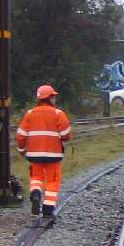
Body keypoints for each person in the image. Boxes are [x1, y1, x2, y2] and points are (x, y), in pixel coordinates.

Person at [16, 83, 72, 219]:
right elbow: (66, 135)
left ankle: (35, 193)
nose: (55, 99)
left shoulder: (30, 114)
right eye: (54, 97)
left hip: (34, 154)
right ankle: (48, 210)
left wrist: (22, 150)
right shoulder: (58, 114)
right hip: (53, 154)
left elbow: (20, 135)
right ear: (50, 98)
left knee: (36, 177)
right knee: (52, 181)